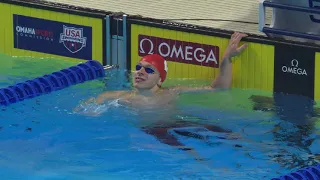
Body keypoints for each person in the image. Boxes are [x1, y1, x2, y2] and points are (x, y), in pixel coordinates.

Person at [75, 32, 248, 155]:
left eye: (148, 70)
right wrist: (89, 108)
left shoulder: (172, 92)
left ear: (160, 80)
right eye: (138, 68)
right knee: (193, 155)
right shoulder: (121, 97)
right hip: (153, 132)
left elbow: (218, 88)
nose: (140, 72)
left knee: (231, 135)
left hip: (178, 123)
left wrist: (227, 58)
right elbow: (92, 102)